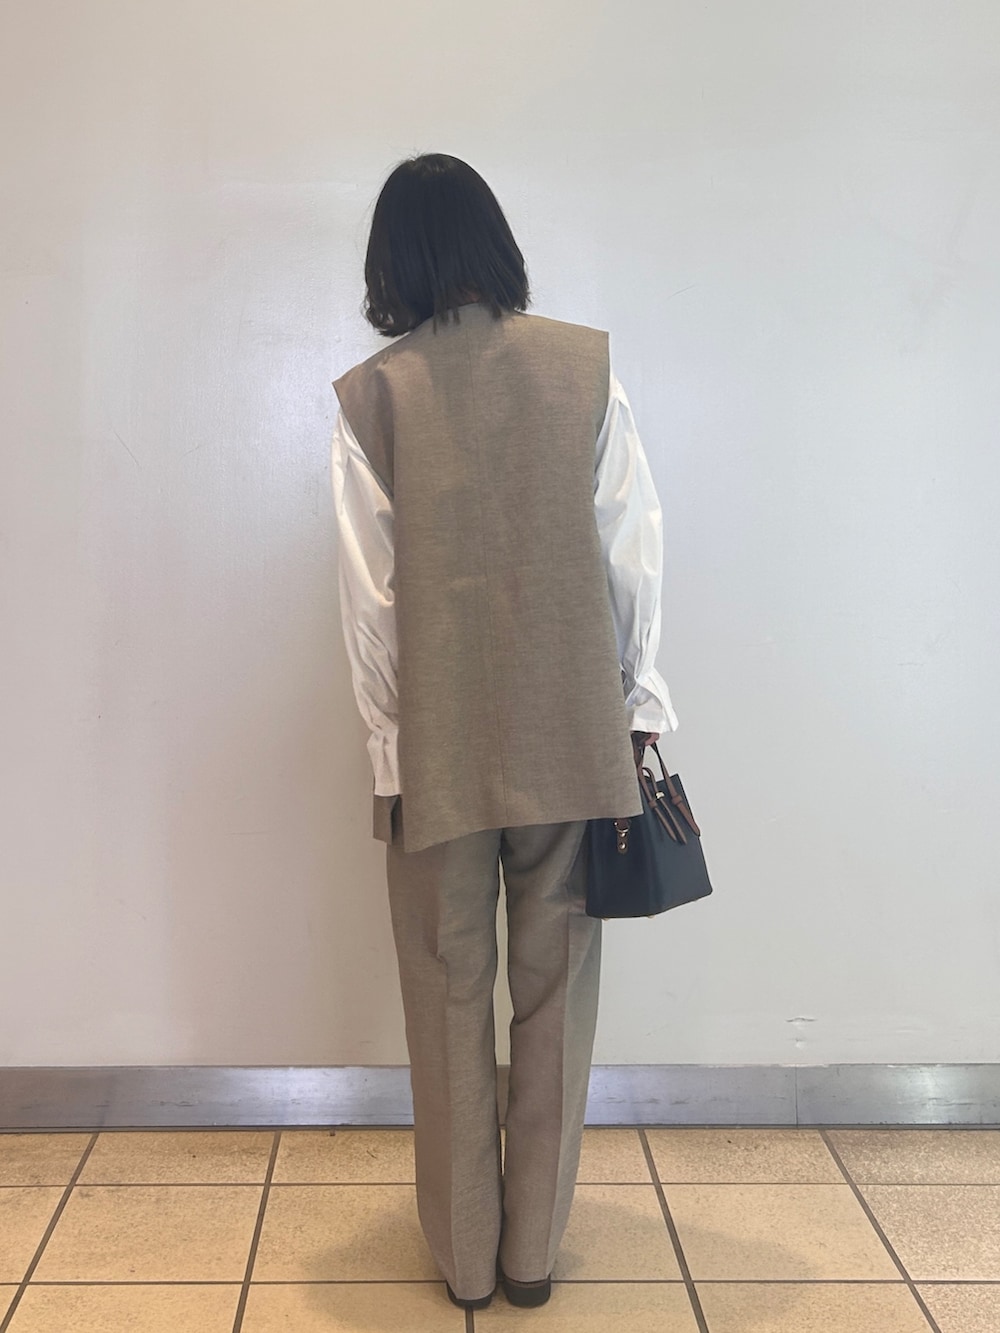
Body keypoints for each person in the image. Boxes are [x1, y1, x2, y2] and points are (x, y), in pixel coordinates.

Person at [330, 153, 677, 1310]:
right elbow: (632, 556)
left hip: (435, 748)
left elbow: (370, 601)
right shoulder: (584, 370)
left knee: (445, 995)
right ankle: (532, 1254)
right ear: (494, 243)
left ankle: (466, 1261)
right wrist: (637, 707)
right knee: (553, 996)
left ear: (392, 261)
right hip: (570, 736)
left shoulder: (373, 396)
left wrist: (388, 750)